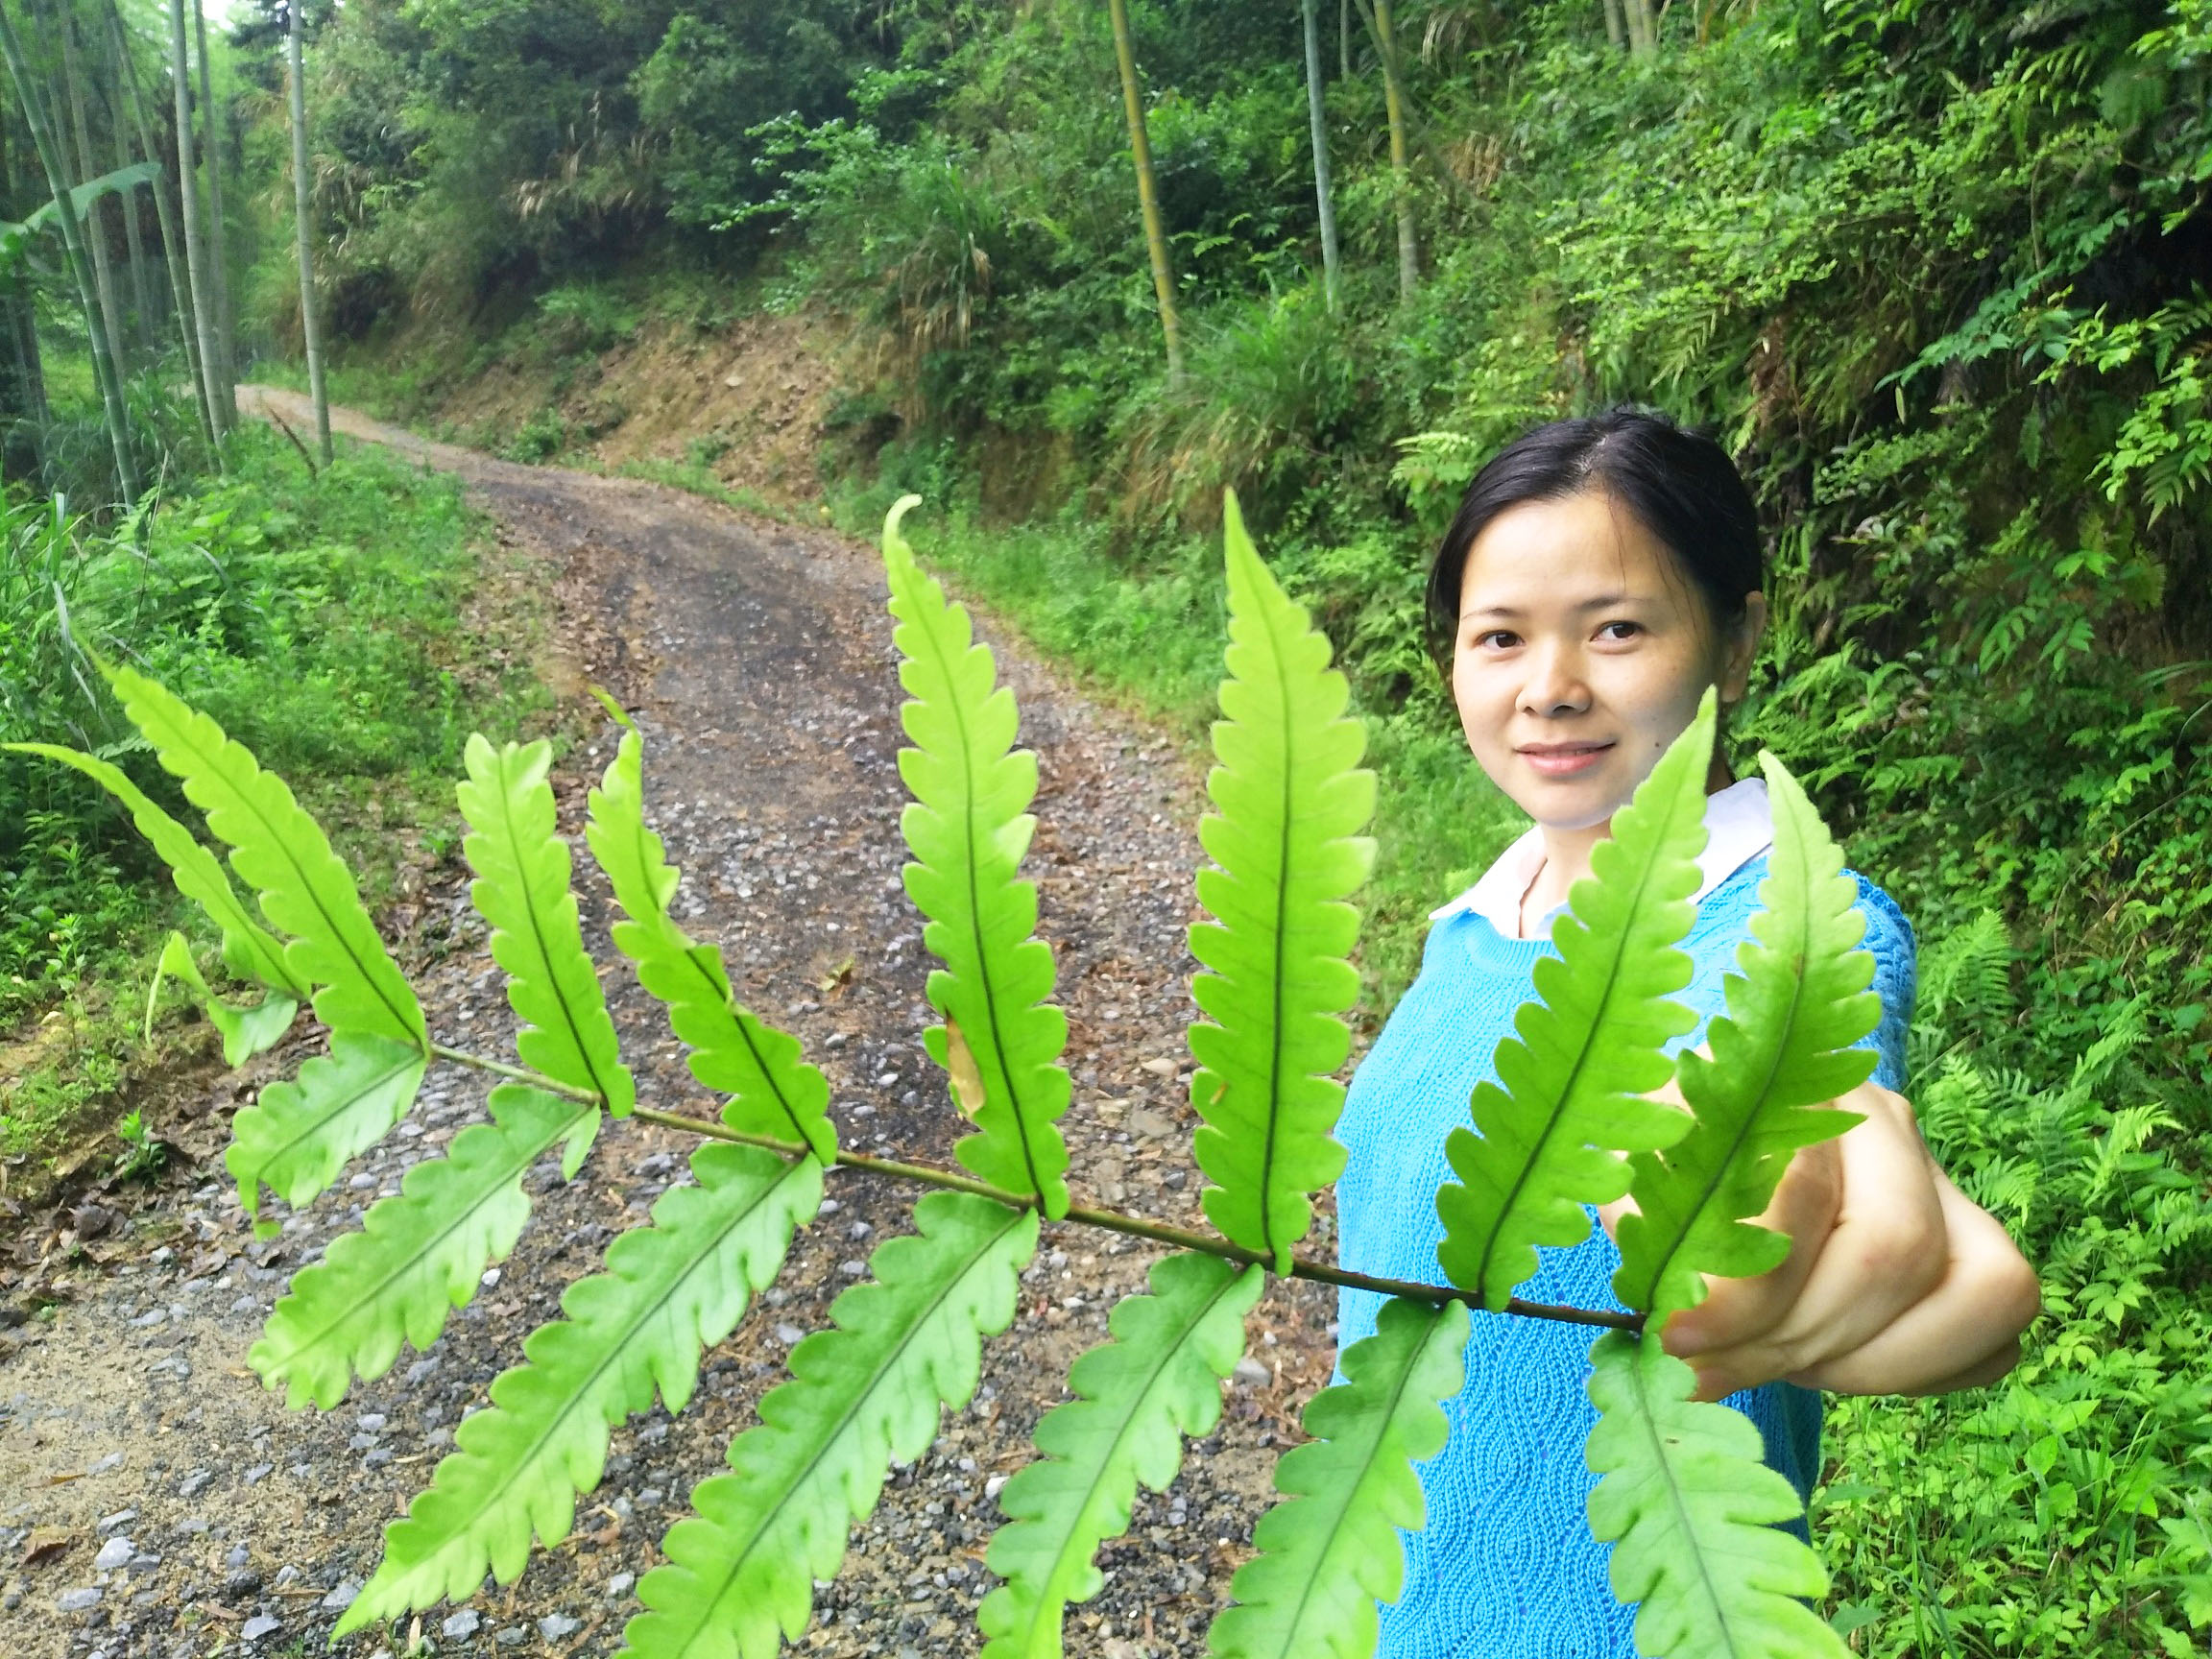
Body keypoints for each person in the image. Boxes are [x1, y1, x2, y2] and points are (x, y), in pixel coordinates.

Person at [1331, 407, 2042, 1658]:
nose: (1550, 687)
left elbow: (1783, 1120)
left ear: (1738, 637)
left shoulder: (1792, 927)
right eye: (1499, 637)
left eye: (1615, 629)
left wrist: (1777, 1186)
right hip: (1384, 1593)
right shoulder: (1474, 923)